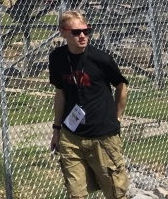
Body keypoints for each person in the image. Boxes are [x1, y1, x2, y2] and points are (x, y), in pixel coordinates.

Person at [49, 10, 129, 199]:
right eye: (76, 32)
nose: (83, 36)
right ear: (63, 32)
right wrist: (56, 129)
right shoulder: (57, 58)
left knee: (116, 192)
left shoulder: (101, 59)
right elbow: (59, 94)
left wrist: (117, 117)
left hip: (103, 136)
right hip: (72, 136)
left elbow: (121, 86)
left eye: (87, 31)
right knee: (75, 194)